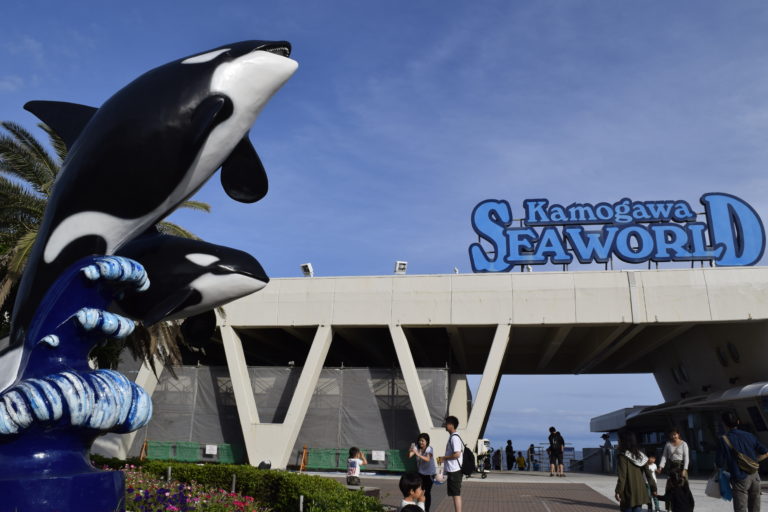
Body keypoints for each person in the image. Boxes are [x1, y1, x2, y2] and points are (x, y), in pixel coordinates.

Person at [716, 411, 768, 512]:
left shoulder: (724, 440)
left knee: (740, 508)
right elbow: (765, 452)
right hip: (755, 476)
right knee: (755, 507)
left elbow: (719, 462)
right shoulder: (749, 435)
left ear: (724, 424)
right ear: (738, 422)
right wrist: (752, 462)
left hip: (738, 477)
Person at [615, 429, 657, 512]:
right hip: (640, 490)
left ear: (623, 441)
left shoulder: (623, 456)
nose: (618, 442)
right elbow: (649, 474)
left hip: (628, 491)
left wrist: (618, 491)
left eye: (619, 440)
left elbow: (622, 477)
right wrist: (654, 488)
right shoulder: (641, 456)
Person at [437, 415, 463, 512]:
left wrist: (444, 458)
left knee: (456, 494)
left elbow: (457, 454)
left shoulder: (454, 438)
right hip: (453, 470)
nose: (444, 425)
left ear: (451, 425)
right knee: (454, 494)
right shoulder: (453, 436)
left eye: (446, 423)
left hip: (454, 470)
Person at [408, 433, 436, 512]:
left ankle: (427, 510)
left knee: (427, 492)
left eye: (423, 441)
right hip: (420, 473)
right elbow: (409, 456)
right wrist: (411, 450)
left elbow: (427, 459)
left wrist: (417, 454)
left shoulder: (429, 449)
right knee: (419, 491)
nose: (421, 442)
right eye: (420, 440)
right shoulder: (416, 447)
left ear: (427, 442)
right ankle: (420, 508)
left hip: (429, 474)